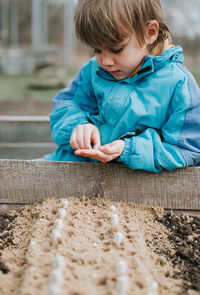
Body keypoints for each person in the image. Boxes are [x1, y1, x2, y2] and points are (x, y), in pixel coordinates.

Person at [45, 0, 200, 173]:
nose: (106, 61)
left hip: (136, 186)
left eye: (116, 49)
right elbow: (65, 107)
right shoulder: (92, 70)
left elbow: (187, 149)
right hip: (74, 169)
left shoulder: (178, 85)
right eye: (97, 50)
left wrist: (129, 150)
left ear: (150, 32)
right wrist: (77, 127)